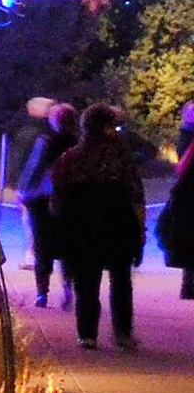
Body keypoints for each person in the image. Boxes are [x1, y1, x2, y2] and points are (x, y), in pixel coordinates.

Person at [52, 104, 147, 350]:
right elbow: (136, 195)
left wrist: (62, 226)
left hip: (82, 223)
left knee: (86, 279)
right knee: (121, 279)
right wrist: (140, 229)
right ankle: (122, 332)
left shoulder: (70, 157)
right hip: (117, 220)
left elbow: (59, 195)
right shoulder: (121, 158)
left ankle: (87, 333)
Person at [16, 100, 79, 309]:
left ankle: (42, 292)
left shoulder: (46, 140)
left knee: (43, 245)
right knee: (68, 247)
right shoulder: (78, 142)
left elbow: (35, 167)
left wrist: (23, 191)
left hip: (42, 199)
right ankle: (68, 288)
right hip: (70, 200)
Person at [157, 102, 194, 301]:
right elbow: (183, 166)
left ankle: (188, 285)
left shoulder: (186, 134)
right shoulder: (188, 136)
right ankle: (188, 285)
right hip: (188, 191)